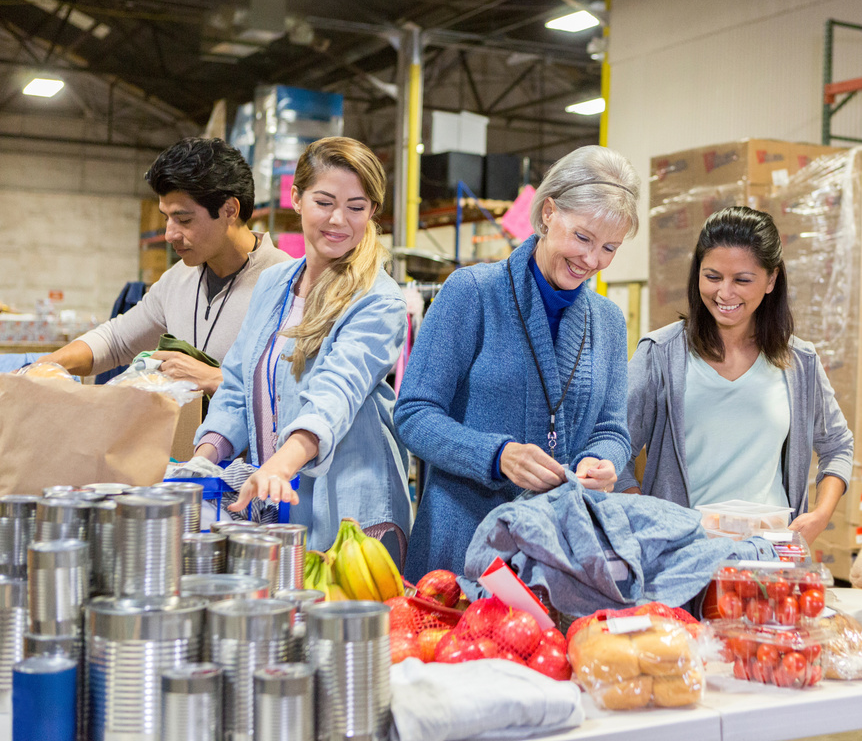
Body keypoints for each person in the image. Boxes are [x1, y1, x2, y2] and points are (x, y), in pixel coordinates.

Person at [395, 145, 640, 580]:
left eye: (609, 248)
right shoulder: (473, 292)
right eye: (582, 238)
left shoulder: (608, 321)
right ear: (548, 212)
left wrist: (604, 460)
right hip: (462, 547)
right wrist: (497, 455)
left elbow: (612, 428)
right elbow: (413, 415)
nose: (592, 260)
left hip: (559, 557)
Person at [191, 136, 410, 551]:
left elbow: (335, 395)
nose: (339, 220)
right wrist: (204, 458)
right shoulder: (275, 283)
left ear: (372, 213)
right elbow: (238, 382)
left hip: (352, 516)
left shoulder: (378, 299)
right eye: (324, 202)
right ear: (296, 197)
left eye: (356, 207)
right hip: (280, 498)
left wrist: (280, 464)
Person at [617, 206, 853, 546]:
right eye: (712, 277)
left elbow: (838, 445)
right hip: (679, 554)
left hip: (768, 555)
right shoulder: (660, 354)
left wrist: (820, 514)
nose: (725, 293)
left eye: (742, 280)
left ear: (771, 280)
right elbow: (612, 446)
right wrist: (641, 511)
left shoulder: (799, 362)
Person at [38, 137, 290, 393]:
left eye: (184, 219)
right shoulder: (178, 280)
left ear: (229, 210)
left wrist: (217, 379)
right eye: (166, 218)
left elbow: (297, 390)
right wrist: (40, 368)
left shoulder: (289, 286)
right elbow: (116, 341)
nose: (170, 234)